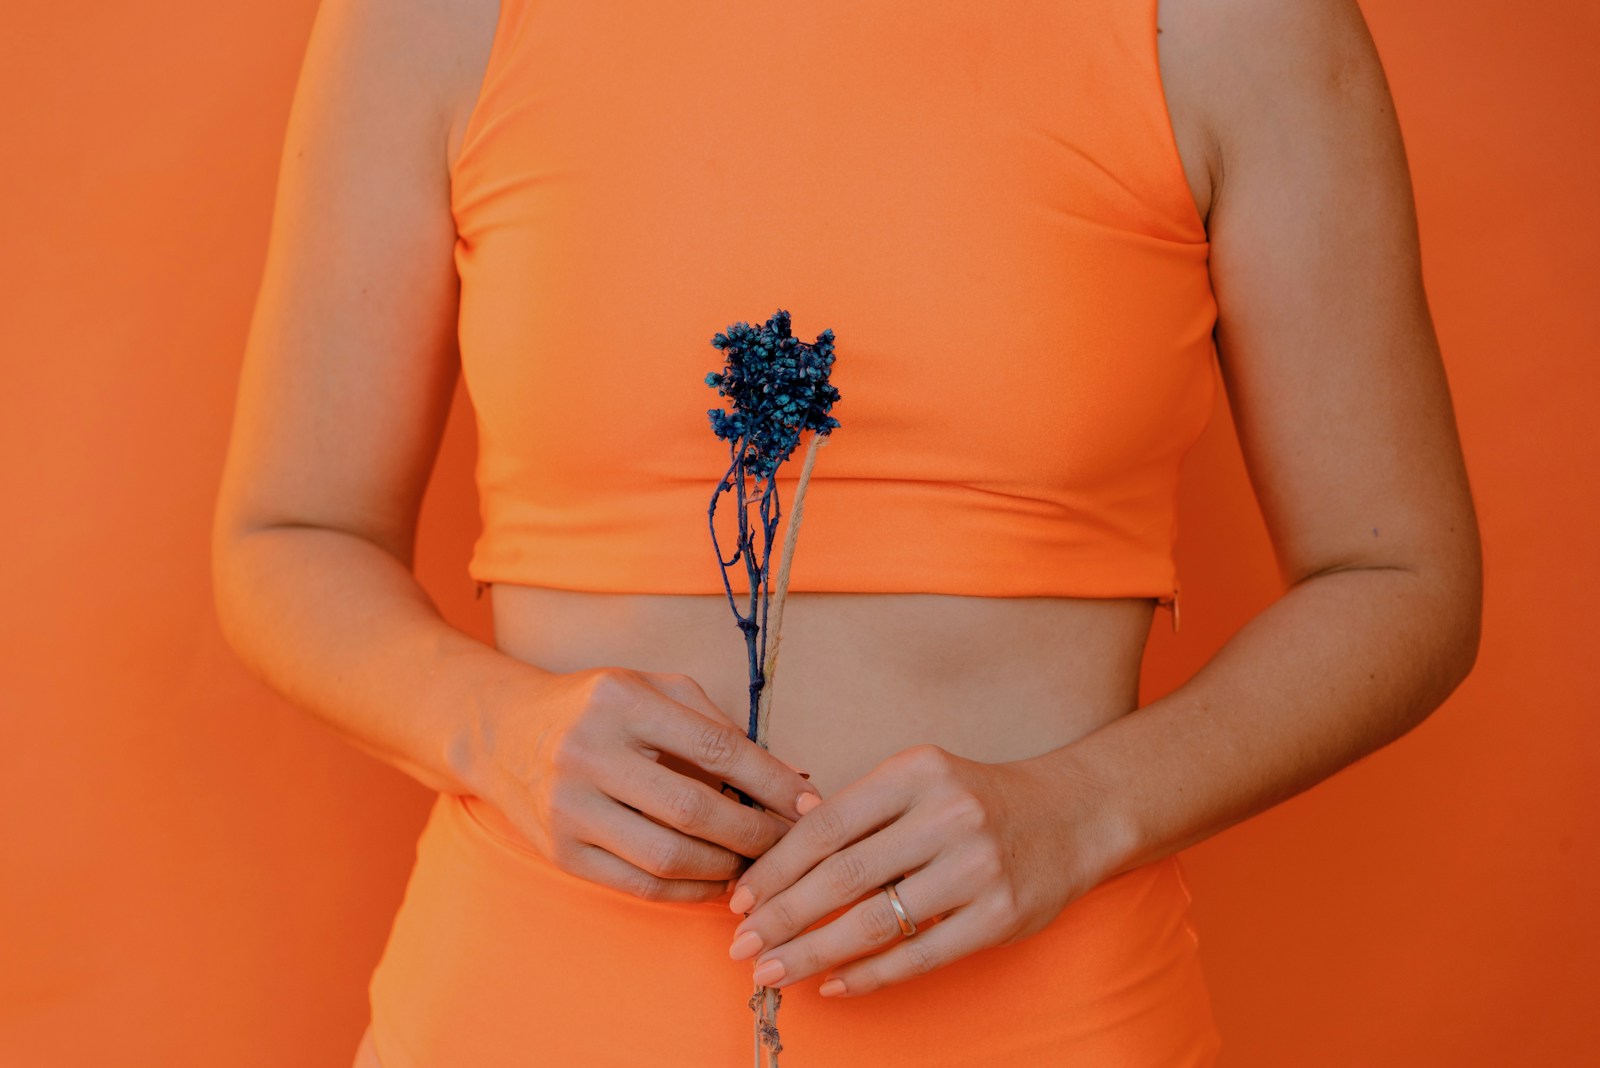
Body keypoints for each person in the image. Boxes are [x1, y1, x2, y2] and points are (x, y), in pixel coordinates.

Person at [211, 0, 1482, 1064]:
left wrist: (1082, 809)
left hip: (1048, 1023)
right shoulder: (438, 17)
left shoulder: (1227, 22)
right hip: (522, 1013)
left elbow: (1398, 574)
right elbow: (290, 532)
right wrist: (496, 732)